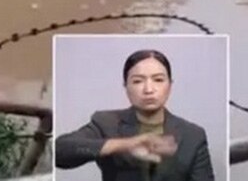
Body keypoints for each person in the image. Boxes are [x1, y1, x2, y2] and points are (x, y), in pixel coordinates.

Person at [55, 50, 214, 181]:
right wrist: (125, 144)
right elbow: (60, 150)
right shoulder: (106, 123)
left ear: (170, 85)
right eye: (138, 81)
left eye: (158, 80)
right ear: (126, 87)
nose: (149, 89)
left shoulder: (193, 135)